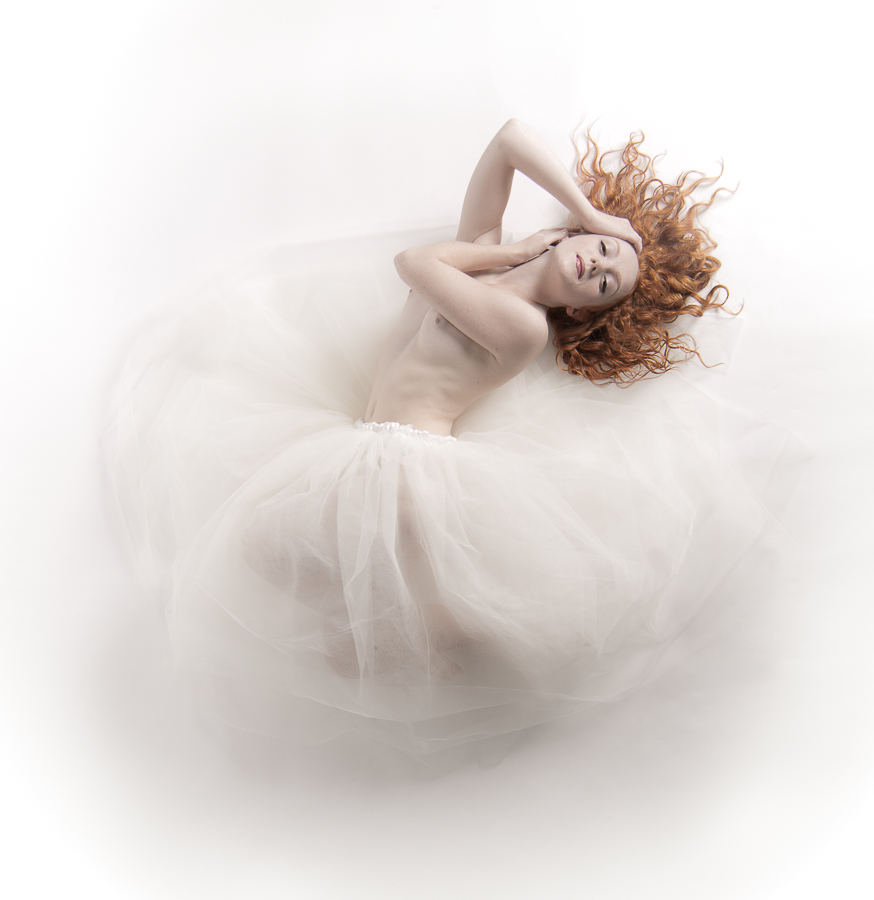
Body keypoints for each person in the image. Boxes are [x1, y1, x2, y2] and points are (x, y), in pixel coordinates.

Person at [106, 119, 763, 757]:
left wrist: (512, 252)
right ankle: (430, 637)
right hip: (366, 443)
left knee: (266, 553)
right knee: (268, 555)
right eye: (605, 252)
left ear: (580, 309)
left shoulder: (522, 324)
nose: (597, 266)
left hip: (403, 463)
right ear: (584, 235)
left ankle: (441, 642)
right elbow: (508, 139)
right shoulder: (482, 260)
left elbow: (413, 262)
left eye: (604, 284)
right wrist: (594, 211)